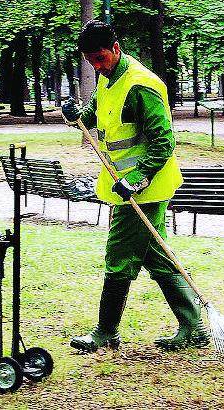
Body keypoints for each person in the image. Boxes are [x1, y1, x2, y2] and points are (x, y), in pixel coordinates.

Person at [62, 20, 209, 353]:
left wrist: (137, 179)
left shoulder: (142, 85)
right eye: (90, 61)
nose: (96, 66)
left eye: (100, 58)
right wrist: (76, 114)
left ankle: (105, 333)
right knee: (157, 258)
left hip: (144, 188)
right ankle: (195, 328)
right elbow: (98, 114)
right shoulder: (108, 77)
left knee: (118, 258)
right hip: (125, 186)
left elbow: (163, 142)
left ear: (116, 48)